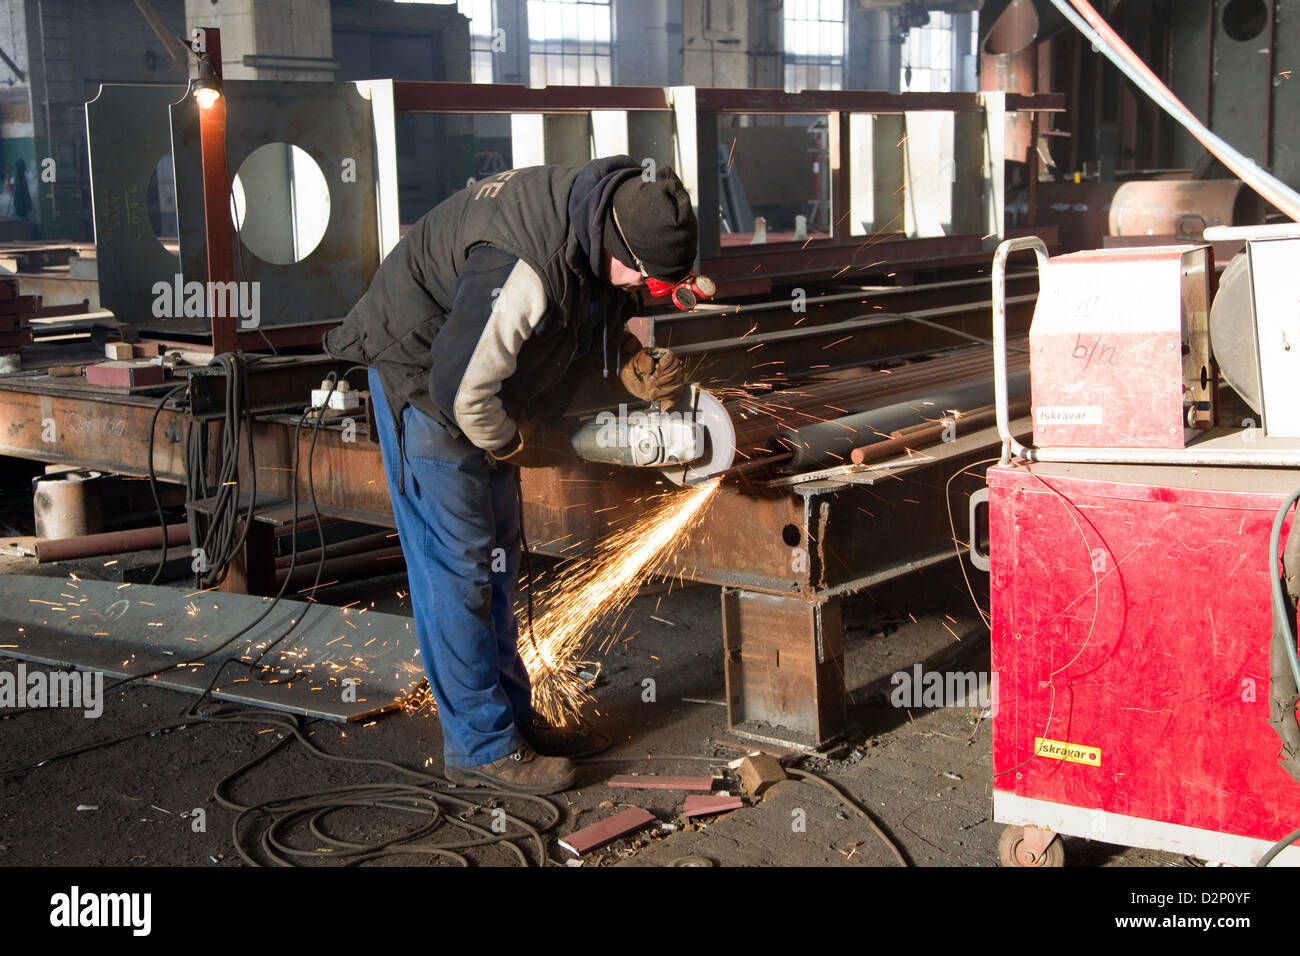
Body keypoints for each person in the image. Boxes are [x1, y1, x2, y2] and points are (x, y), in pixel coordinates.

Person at [324, 156, 698, 794]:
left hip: (478, 374)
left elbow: (592, 295)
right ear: (618, 243)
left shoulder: (609, 208)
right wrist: (516, 443)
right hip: (427, 380)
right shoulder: (522, 265)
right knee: (462, 565)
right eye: (645, 278)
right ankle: (480, 746)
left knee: (499, 554)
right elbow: (462, 389)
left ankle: (513, 721)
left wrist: (626, 355)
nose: (646, 292)